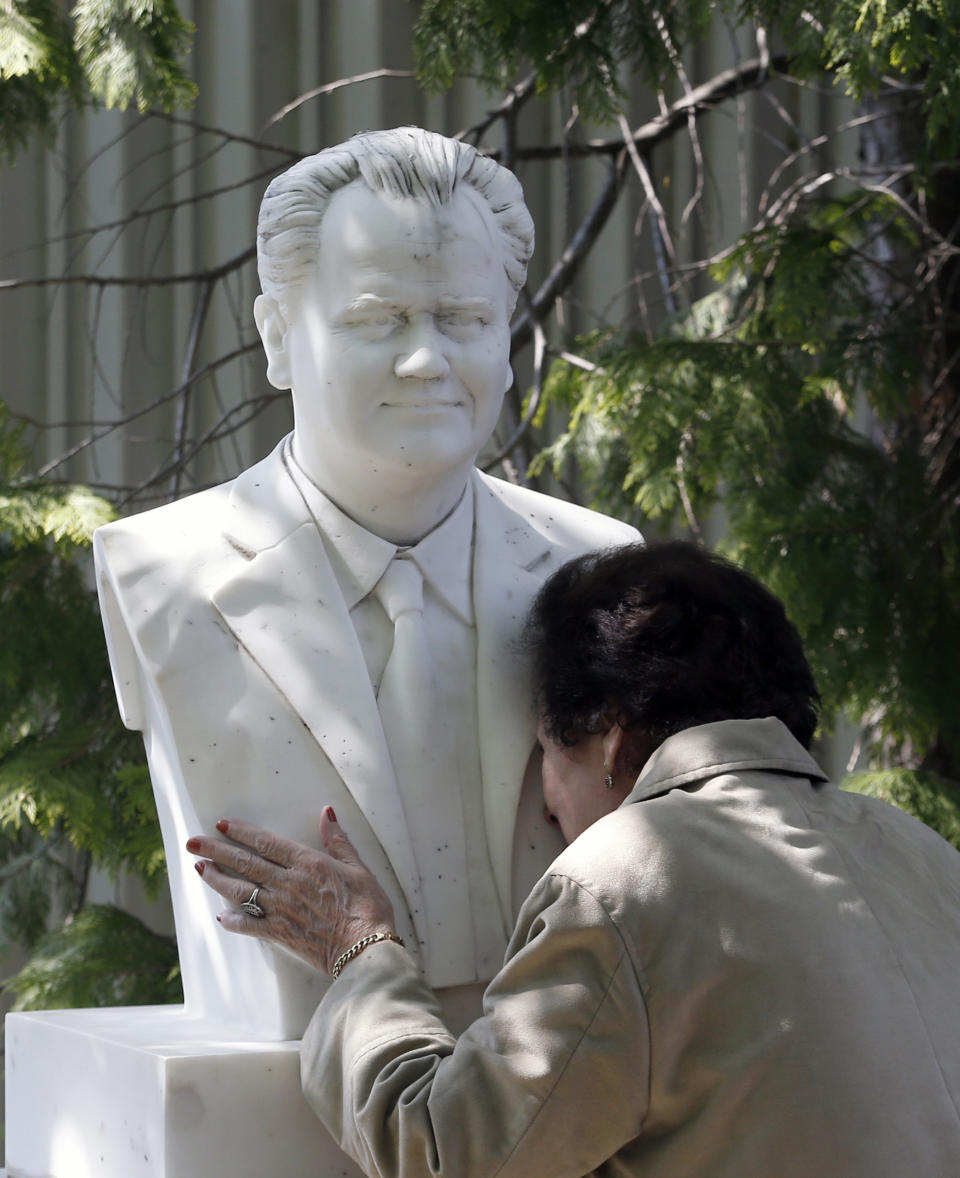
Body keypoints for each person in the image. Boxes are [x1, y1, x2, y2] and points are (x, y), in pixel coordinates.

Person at [93, 126, 640, 1038]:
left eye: (462, 319)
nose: (425, 359)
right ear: (277, 338)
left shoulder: (599, 566)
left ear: (506, 338)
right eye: (376, 320)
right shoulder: (162, 571)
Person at [187, 541, 960, 1178]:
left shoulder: (625, 881)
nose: (549, 806)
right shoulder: (925, 853)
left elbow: (452, 1152)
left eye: (546, 754)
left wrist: (356, 949)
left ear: (612, 737)